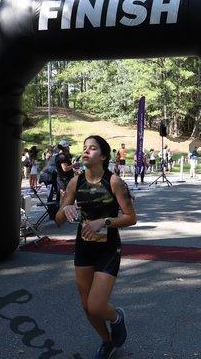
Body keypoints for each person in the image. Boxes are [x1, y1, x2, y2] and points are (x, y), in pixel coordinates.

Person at [55, 135, 136, 358]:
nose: (86, 151)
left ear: (103, 156)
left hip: (108, 249)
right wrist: (66, 209)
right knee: (86, 305)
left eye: (92, 148)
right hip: (84, 247)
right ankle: (107, 341)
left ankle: (117, 317)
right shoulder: (75, 182)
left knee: (96, 306)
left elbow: (131, 218)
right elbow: (58, 219)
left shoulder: (114, 182)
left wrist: (105, 221)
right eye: (84, 147)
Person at [55, 139, 76, 204]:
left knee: (66, 197)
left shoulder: (62, 155)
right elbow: (65, 168)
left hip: (65, 179)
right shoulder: (62, 156)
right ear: (65, 147)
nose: (69, 148)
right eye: (68, 146)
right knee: (64, 197)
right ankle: (62, 210)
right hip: (64, 180)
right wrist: (74, 165)